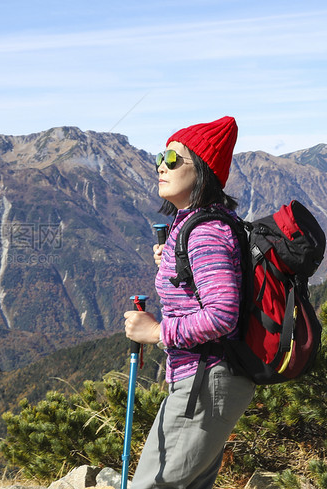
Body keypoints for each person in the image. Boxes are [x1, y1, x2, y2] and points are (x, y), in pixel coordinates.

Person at [123, 116, 255, 489]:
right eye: (161, 157)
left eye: (173, 158)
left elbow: (222, 314)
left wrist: (156, 331)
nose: (161, 166)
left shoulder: (205, 231)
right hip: (208, 379)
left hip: (205, 378)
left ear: (202, 170)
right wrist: (174, 264)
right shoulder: (201, 224)